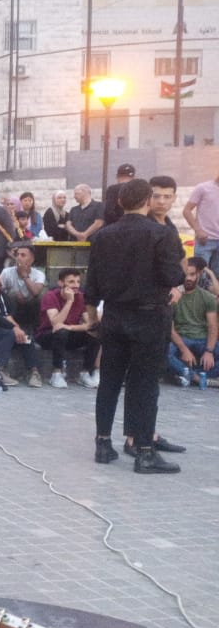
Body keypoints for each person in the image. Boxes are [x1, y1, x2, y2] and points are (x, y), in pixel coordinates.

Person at [86, 178, 185, 473]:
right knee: (144, 385)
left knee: (109, 382)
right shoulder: (161, 234)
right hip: (149, 317)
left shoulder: (103, 235)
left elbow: (92, 285)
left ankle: (103, 443)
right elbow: (173, 277)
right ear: (147, 201)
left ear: (120, 202)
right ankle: (144, 451)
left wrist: (93, 319)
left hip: (114, 316)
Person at [34, 268, 100, 389]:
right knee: (61, 331)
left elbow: (91, 324)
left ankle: (85, 373)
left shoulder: (81, 297)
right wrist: (69, 301)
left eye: (78, 282)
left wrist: (69, 327)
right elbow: (56, 323)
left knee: (95, 332)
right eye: (71, 282)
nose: (76, 285)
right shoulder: (50, 296)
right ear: (60, 283)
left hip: (68, 334)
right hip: (47, 335)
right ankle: (57, 373)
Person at [0, 267, 42, 387]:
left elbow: (8, 315)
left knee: (26, 338)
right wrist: (13, 328)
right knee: (9, 334)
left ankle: (33, 372)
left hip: (4, 329)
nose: (0, 278)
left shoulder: (1, 295)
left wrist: (18, 329)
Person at [167, 258, 218, 388]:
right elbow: (169, 328)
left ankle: (184, 374)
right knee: (163, 352)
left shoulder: (207, 297)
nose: (188, 278)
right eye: (185, 274)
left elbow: (213, 326)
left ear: (198, 275)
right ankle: (197, 378)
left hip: (202, 339)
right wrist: (184, 350)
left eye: (192, 274)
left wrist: (209, 351)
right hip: (180, 339)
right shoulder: (173, 296)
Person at [0, 245, 46, 333]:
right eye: (17, 255)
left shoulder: (39, 274)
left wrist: (24, 275)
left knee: (41, 297)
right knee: (12, 294)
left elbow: (36, 292)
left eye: (23, 255)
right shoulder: (7, 272)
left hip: (30, 306)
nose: (18, 258)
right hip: (12, 307)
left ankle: (36, 329)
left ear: (31, 259)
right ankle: (11, 327)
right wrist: (13, 293)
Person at [184, 168, 219, 271]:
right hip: (205, 241)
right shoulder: (203, 188)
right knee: (201, 274)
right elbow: (186, 211)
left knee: (217, 276)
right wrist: (198, 230)